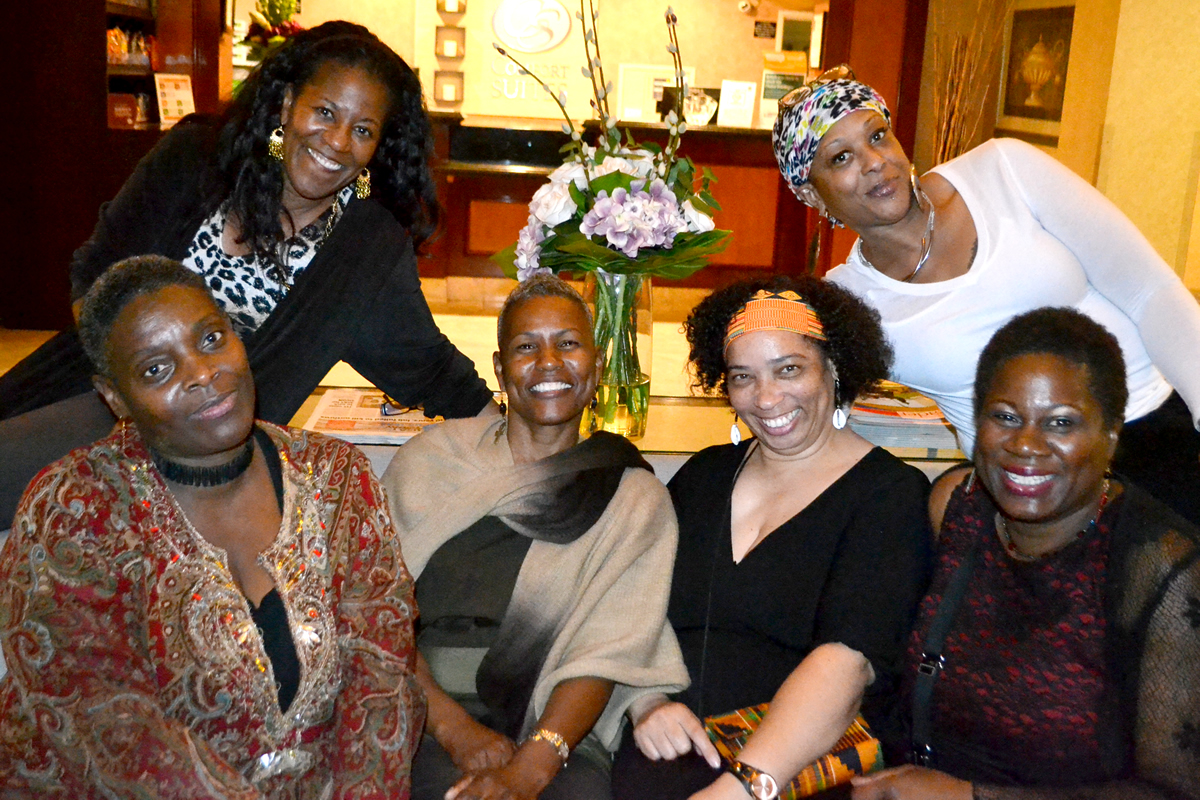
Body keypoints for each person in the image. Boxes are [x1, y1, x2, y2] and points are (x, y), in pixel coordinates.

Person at [0, 21, 492, 523]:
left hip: (205, 464)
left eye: (363, 130)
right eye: (324, 112)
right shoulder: (196, 157)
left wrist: (524, 432)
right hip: (97, 396)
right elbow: (95, 275)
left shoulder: (366, 245)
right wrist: (137, 395)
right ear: (286, 106)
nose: (339, 142)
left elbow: (428, 367)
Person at [0, 256, 424, 798]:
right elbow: (114, 735)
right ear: (114, 398)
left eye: (210, 338)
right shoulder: (74, 510)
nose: (202, 373)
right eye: (157, 369)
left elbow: (380, 675)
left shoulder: (338, 476)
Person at [771, 66, 1200, 525]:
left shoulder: (1006, 171)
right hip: (1031, 496)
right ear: (810, 193)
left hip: (1154, 433)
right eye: (840, 158)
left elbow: (1151, 293)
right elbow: (793, 394)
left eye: (878, 135)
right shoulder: (846, 301)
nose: (874, 162)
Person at [853, 307, 1200, 800]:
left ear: (1111, 435)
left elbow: (1175, 793)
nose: (1026, 445)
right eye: (1006, 417)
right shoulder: (956, 508)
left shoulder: (1163, 569)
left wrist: (966, 797)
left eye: (1060, 422)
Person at [611, 276, 933, 800]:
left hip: (796, 762)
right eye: (743, 377)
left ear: (834, 368)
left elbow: (846, 664)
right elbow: (634, 608)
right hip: (670, 742)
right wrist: (644, 703)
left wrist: (744, 787)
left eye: (789, 370)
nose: (766, 398)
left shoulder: (889, 494)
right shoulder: (705, 475)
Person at [379, 274, 688, 800]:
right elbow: (375, 610)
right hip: (421, 709)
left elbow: (603, 653)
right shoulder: (430, 461)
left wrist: (529, 770)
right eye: (527, 347)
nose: (549, 363)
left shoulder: (633, 498)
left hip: (559, 727)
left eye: (568, 344)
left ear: (596, 366)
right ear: (500, 369)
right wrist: (455, 731)